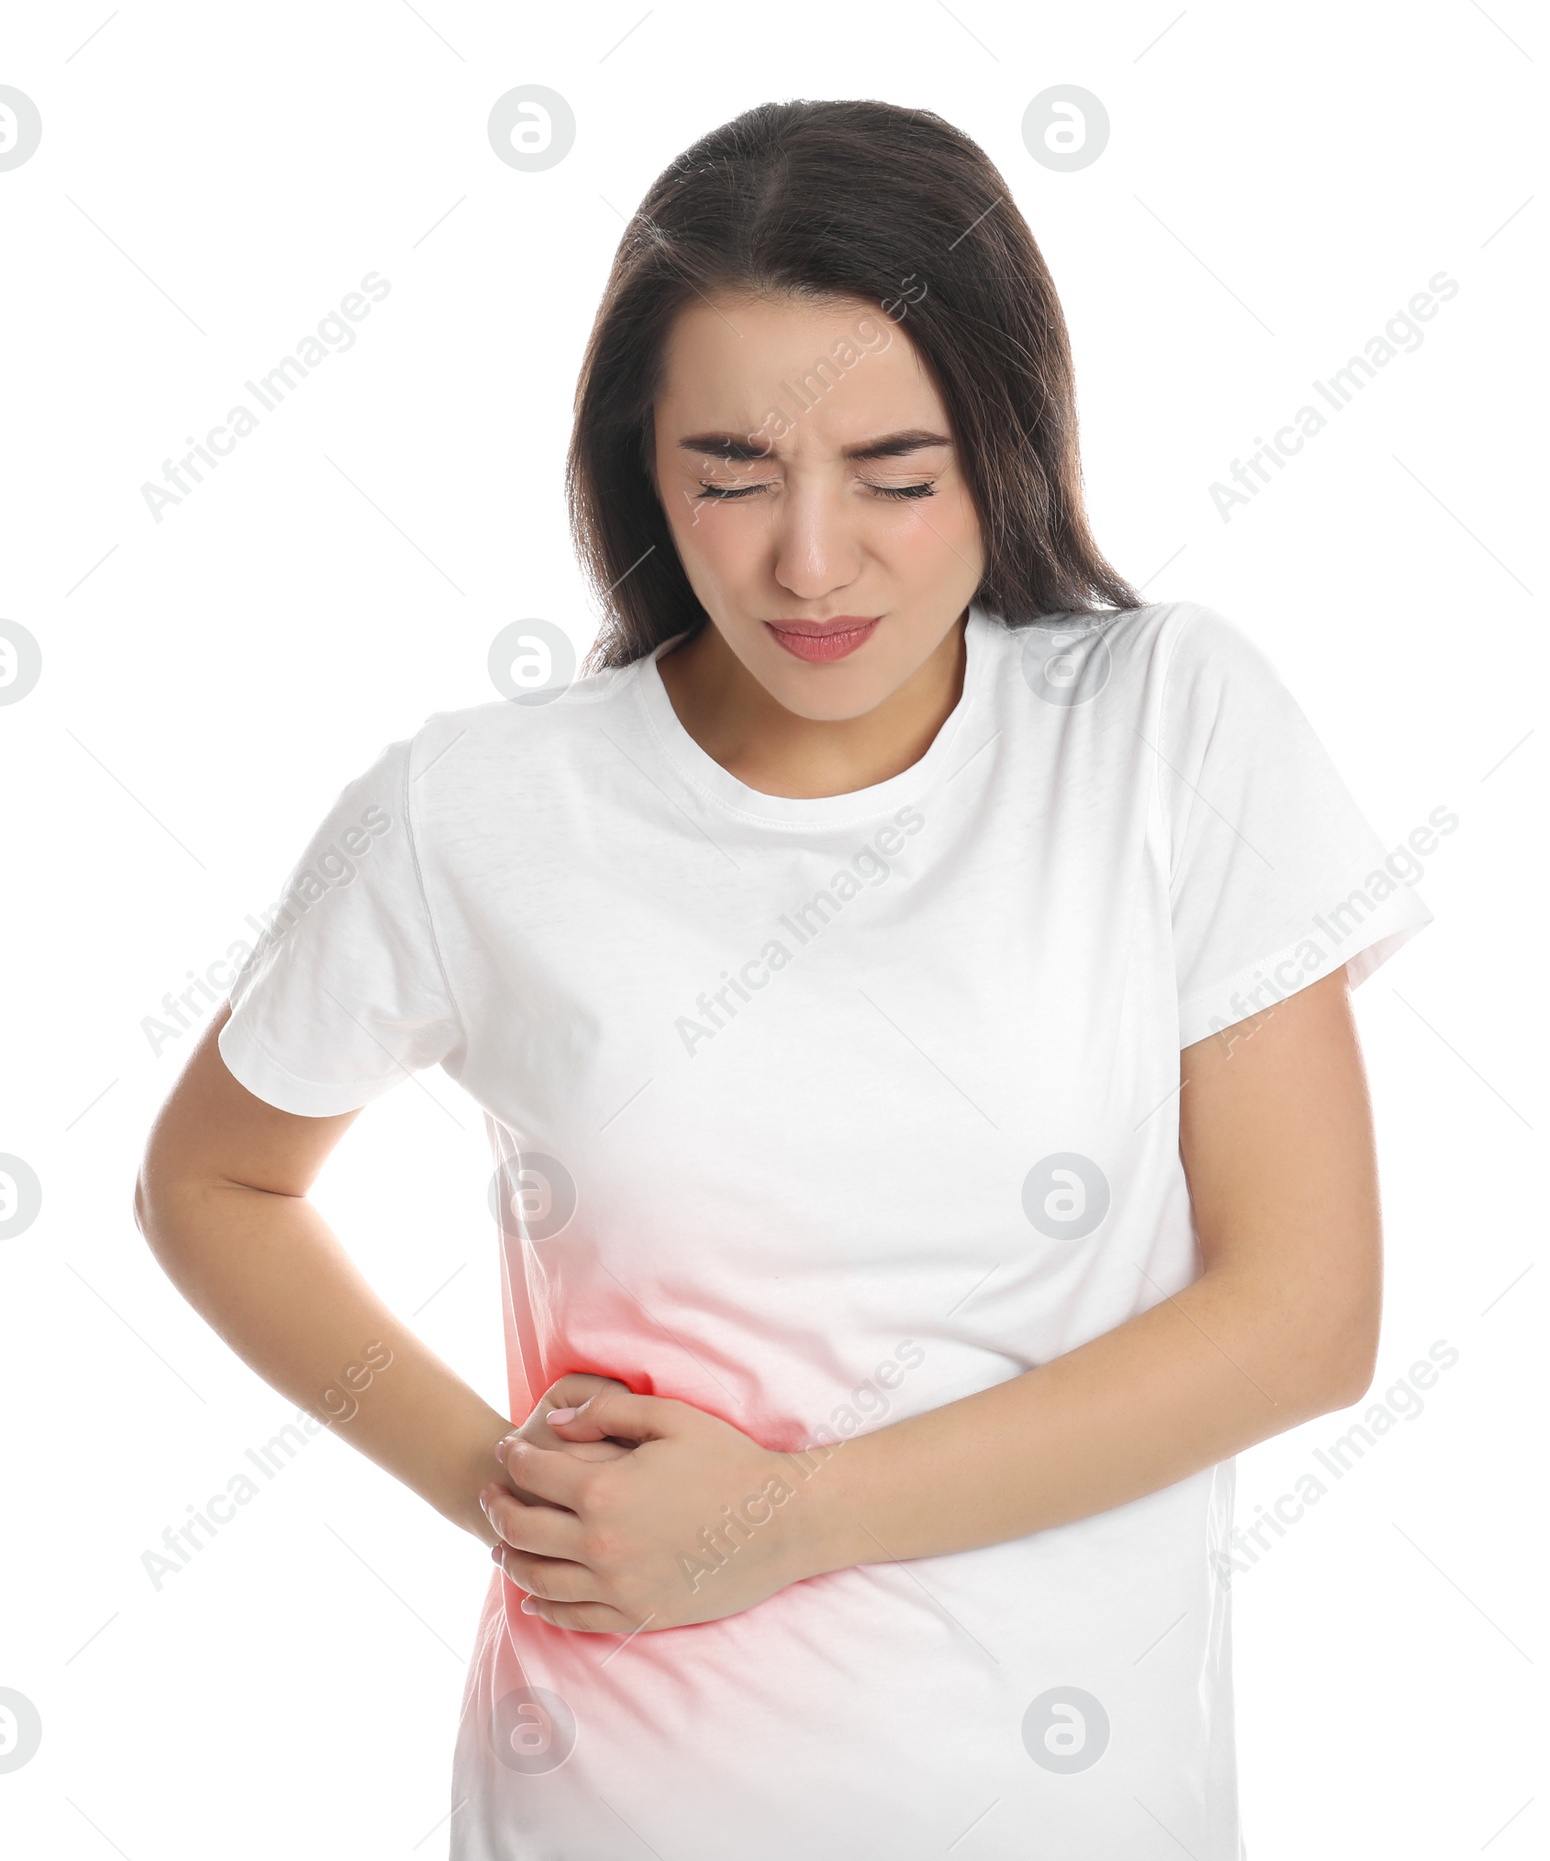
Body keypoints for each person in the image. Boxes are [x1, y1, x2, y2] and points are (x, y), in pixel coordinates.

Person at [135, 98, 1435, 1859]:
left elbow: (1303, 1317)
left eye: (896, 476)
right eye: (731, 476)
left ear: (1009, 443)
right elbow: (212, 1176)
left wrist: (788, 1518)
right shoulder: (480, 807)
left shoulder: (1166, 728)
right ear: (641, 468)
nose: (810, 562)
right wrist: (499, 1491)